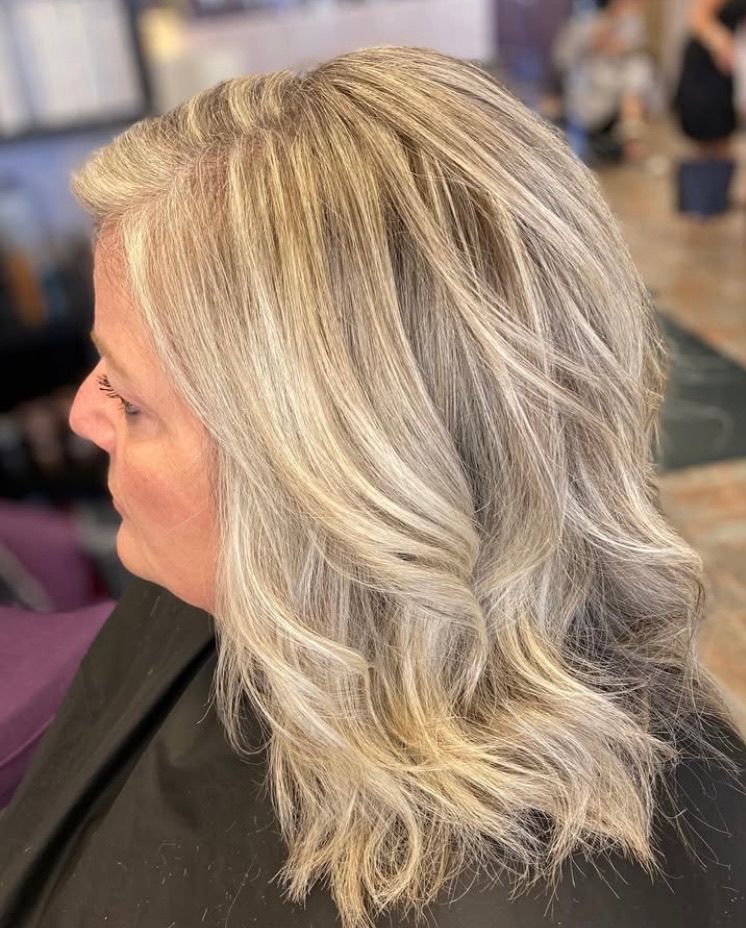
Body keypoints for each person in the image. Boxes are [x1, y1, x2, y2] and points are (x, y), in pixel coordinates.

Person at [0, 45, 745, 928]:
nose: (86, 414)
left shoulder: (556, 896)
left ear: (329, 483)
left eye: (127, 397)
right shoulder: (221, 587)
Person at [552, 0, 656, 163]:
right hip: (589, 85)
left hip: (619, 83)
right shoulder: (584, 21)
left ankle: (631, 142)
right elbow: (564, 58)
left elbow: (631, 48)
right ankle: (627, 144)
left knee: (639, 74)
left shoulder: (632, 22)